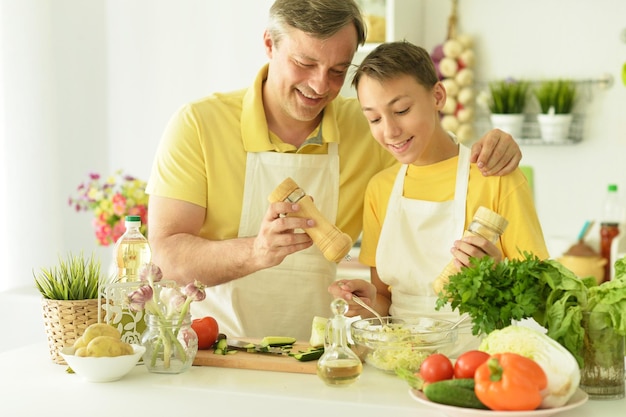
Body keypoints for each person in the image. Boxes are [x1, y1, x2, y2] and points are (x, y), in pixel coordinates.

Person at [146, 0, 523, 341]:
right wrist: (257, 251)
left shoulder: (366, 125)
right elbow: (166, 257)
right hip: (210, 349)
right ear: (269, 45)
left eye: (338, 70)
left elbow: (433, 154)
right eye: (305, 63)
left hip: (317, 354)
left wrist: (490, 146)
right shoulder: (198, 125)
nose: (319, 85)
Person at [328, 41, 548, 351]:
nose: (389, 131)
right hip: (397, 358)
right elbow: (386, 301)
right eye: (374, 119)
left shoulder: (495, 178)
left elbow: (541, 296)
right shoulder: (381, 188)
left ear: (437, 96)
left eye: (401, 110)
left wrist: (497, 274)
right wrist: (365, 302)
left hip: (477, 362)